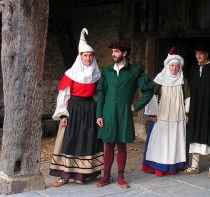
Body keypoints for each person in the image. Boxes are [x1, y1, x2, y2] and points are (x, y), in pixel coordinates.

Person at [94, 40, 154, 189]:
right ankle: (106, 176)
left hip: (124, 113)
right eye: (112, 51)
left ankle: (121, 176)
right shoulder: (107, 71)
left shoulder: (135, 71)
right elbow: (101, 93)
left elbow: (149, 90)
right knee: (108, 145)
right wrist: (99, 114)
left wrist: (137, 106)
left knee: (121, 144)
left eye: (116, 51)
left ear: (124, 53)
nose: (112, 54)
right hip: (107, 113)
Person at [50, 28, 104, 187]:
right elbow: (63, 95)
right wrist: (63, 115)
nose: (88, 58)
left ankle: (82, 174)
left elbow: (100, 94)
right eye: (85, 55)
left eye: (90, 55)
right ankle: (64, 175)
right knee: (70, 140)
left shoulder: (97, 74)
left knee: (87, 140)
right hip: (73, 109)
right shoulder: (71, 74)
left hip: (89, 109)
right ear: (80, 57)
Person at [180, 43, 210, 178]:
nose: (198, 56)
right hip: (195, 110)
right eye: (196, 54)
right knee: (194, 135)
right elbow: (187, 92)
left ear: (207, 55)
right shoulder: (192, 71)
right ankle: (194, 166)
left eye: (201, 54)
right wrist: (187, 110)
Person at [141, 47, 190, 176]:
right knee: (161, 140)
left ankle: (174, 165)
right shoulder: (159, 79)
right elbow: (151, 95)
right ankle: (159, 166)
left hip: (178, 115)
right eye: (172, 65)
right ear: (168, 66)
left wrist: (187, 113)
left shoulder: (183, 81)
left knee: (176, 140)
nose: (174, 68)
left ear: (180, 68)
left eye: (177, 66)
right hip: (162, 114)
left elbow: (188, 98)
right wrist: (152, 113)